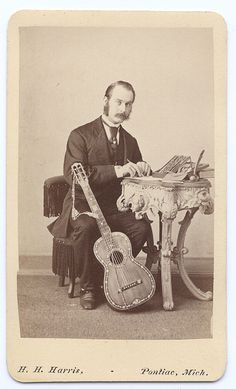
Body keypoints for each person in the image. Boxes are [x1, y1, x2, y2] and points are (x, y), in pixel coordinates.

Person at [48, 81, 152, 309]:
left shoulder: (130, 141)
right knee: (86, 227)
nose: (123, 109)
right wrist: (118, 170)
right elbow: (73, 175)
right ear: (105, 101)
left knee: (141, 228)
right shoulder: (80, 135)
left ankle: (112, 274)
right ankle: (89, 286)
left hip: (115, 207)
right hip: (83, 205)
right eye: (118, 102)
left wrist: (143, 168)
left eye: (128, 104)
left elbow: (134, 179)